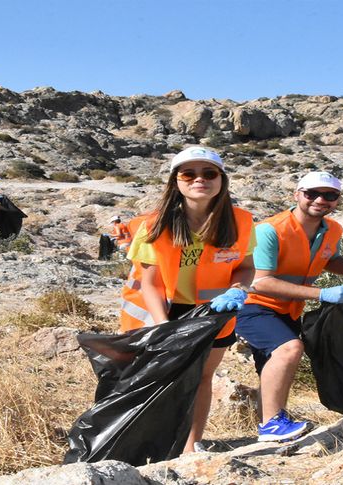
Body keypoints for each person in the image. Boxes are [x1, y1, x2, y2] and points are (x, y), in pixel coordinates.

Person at [121, 146, 256, 453]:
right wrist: (163, 329)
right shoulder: (154, 225)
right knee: (156, 380)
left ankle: (190, 446)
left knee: (202, 378)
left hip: (213, 314)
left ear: (221, 180)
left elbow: (247, 267)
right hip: (164, 312)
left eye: (209, 173)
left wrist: (238, 289)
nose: (200, 179)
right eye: (189, 174)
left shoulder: (242, 222)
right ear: (176, 181)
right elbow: (150, 283)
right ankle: (145, 445)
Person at [236, 171, 343, 441]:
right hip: (253, 305)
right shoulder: (270, 230)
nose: (320, 200)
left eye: (330, 195)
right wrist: (321, 293)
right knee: (290, 350)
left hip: (289, 309)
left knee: (271, 366)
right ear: (297, 195)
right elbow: (261, 282)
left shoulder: (332, 230)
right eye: (312, 193)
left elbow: (327, 258)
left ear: (337, 200)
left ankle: (269, 427)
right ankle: (271, 424)